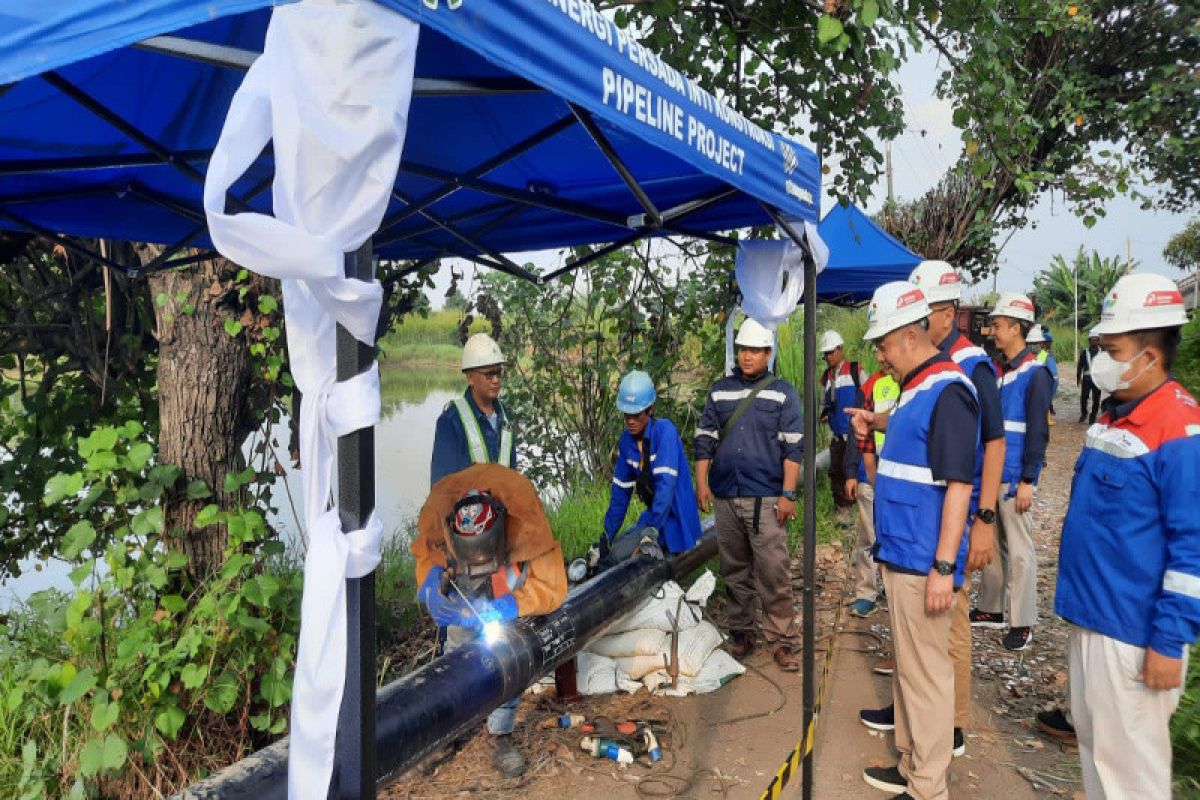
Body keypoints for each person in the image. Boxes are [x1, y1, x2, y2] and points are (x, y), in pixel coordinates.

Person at [1053, 273, 1200, 798]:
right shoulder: (1119, 416)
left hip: (1134, 638)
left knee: (1131, 779)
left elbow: (1193, 551)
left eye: (1111, 350)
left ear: (1151, 355)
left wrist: (1168, 640)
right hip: (1092, 620)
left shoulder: (1178, 431)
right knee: (1098, 761)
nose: (1102, 362)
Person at [857, 259, 1006, 760]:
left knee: (928, 676)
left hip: (924, 558)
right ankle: (912, 756)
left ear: (907, 334)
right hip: (901, 551)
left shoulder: (950, 387)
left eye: (881, 343)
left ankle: (927, 782)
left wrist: (946, 566)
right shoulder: (916, 386)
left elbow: (959, 485)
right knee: (912, 668)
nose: (879, 354)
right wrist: (873, 422)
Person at [412, 464, 568, 777]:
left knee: (506, 645)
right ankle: (449, 732)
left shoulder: (524, 514)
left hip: (510, 579)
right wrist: (430, 582)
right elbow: (428, 552)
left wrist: (507, 607)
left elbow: (552, 587)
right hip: (462, 575)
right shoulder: (440, 507)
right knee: (457, 647)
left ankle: (501, 732)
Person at [694, 317, 804, 672]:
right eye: (743, 349)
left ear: (768, 353)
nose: (747, 356)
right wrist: (702, 482)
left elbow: (793, 449)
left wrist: (788, 495)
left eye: (755, 350)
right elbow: (705, 439)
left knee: (773, 570)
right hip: (726, 496)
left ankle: (782, 638)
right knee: (734, 569)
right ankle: (742, 632)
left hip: (767, 499)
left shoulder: (783, 392)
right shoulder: (719, 391)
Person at [972, 293, 1053, 652]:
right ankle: (991, 609)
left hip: (1015, 475)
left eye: (1000, 325)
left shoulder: (1035, 374)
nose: (993, 331)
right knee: (993, 544)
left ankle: (1022, 620)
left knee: (1019, 551)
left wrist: (1028, 480)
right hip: (995, 473)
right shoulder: (999, 371)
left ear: (1018, 328)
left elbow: (1038, 431)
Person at [594, 370, 701, 565]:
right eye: (627, 415)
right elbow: (620, 494)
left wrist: (651, 530)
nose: (630, 421)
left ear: (650, 410)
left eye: (636, 415)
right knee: (615, 550)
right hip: (654, 516)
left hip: (675, 516)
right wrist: (606, 537)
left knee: (625, 557)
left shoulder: (664, 431)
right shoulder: (627, 441)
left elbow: (665, 488)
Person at [844, 347, 900, 619]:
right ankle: (866, 593)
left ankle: (895, 590)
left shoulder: (915, 384)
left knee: (897, 536)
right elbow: (857, 433)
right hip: (872, 475)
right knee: (868, 536)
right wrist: (853, 473)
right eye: (877, 351)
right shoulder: (871, 385)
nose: (881, 356)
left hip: (904, 478)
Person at [431, 333, 516, 484]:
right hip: (467, 506)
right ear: (470, 377)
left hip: (503, 504)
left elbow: (512, 472)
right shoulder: (451, 421)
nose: (496, 380)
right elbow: (441, 488)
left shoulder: (505, 415)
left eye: (498, 373)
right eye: (489, 374)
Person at [820, 330, 868, 510]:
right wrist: (824, 414)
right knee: (836, 472)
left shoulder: (855, 371)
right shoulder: (827, 377)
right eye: (825, 354)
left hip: (854, 434)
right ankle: (842, 510)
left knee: (853, 470)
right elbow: (823, 403)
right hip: (838, 434)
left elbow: (869, 395)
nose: (828, 357)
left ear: (840, 350)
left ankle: (854, 507)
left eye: (831, 352)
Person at [1029, 325, 1060, 425]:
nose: (1050, 344)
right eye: (1049, 342)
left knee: (1048, 399)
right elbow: (1040, 365)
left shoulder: (1049, 352)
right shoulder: (1042, 353)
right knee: (1045, 399)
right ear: (1044, 343)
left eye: (1051, 342)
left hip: (1053, 380)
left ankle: (1047, 417)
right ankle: (1045, 418)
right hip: (1048, 379)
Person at [1077, 328, 1102, 423]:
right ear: (1089, 341)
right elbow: (1080, 366)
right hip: (1087, 378)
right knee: (1084, 397)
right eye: (1092, 339)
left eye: (1096, 339)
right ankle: (1084, 414)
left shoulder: (1102, 353)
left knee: (1096, 399)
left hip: (1097, 379)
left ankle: (1093, 416)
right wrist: (1078, 378)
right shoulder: (1085, 352)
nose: (1094, 341)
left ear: (1099, 341)